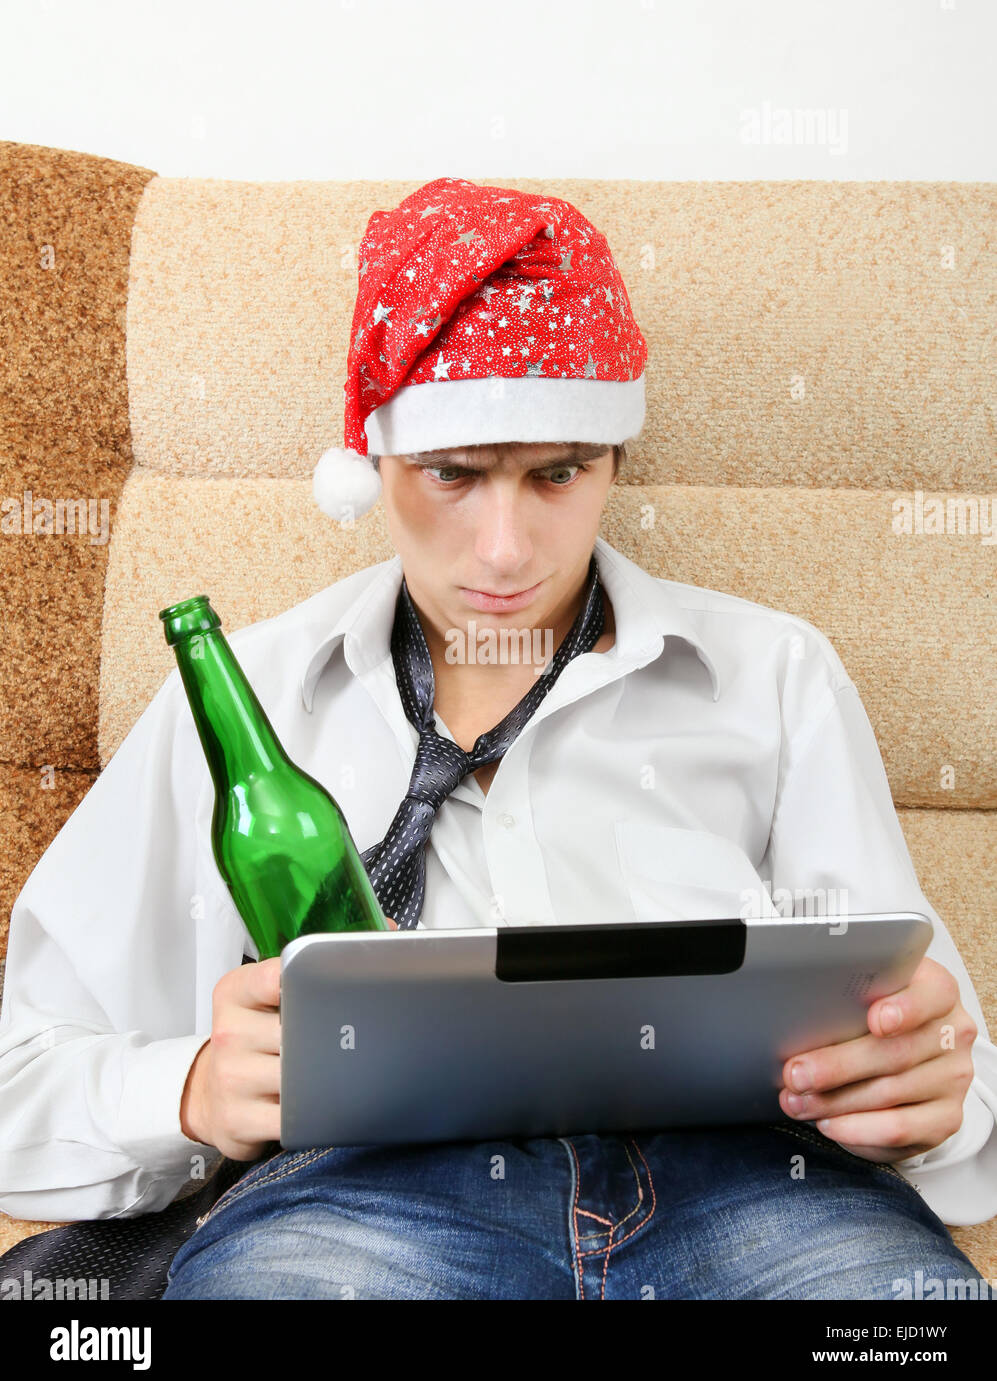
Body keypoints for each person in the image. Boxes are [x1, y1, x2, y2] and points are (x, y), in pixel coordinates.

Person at [1, 178, 994, 1301]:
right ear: (374, 464)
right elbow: (21, 1073)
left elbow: (937, 1049)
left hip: (765, 1190)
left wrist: (930, 1095)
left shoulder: (774, 674)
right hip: (364, 1200)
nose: (507, 547)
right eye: (452, 475)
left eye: (557, 473)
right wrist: (186, 1089)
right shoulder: (243, 699)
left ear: (615, 459)